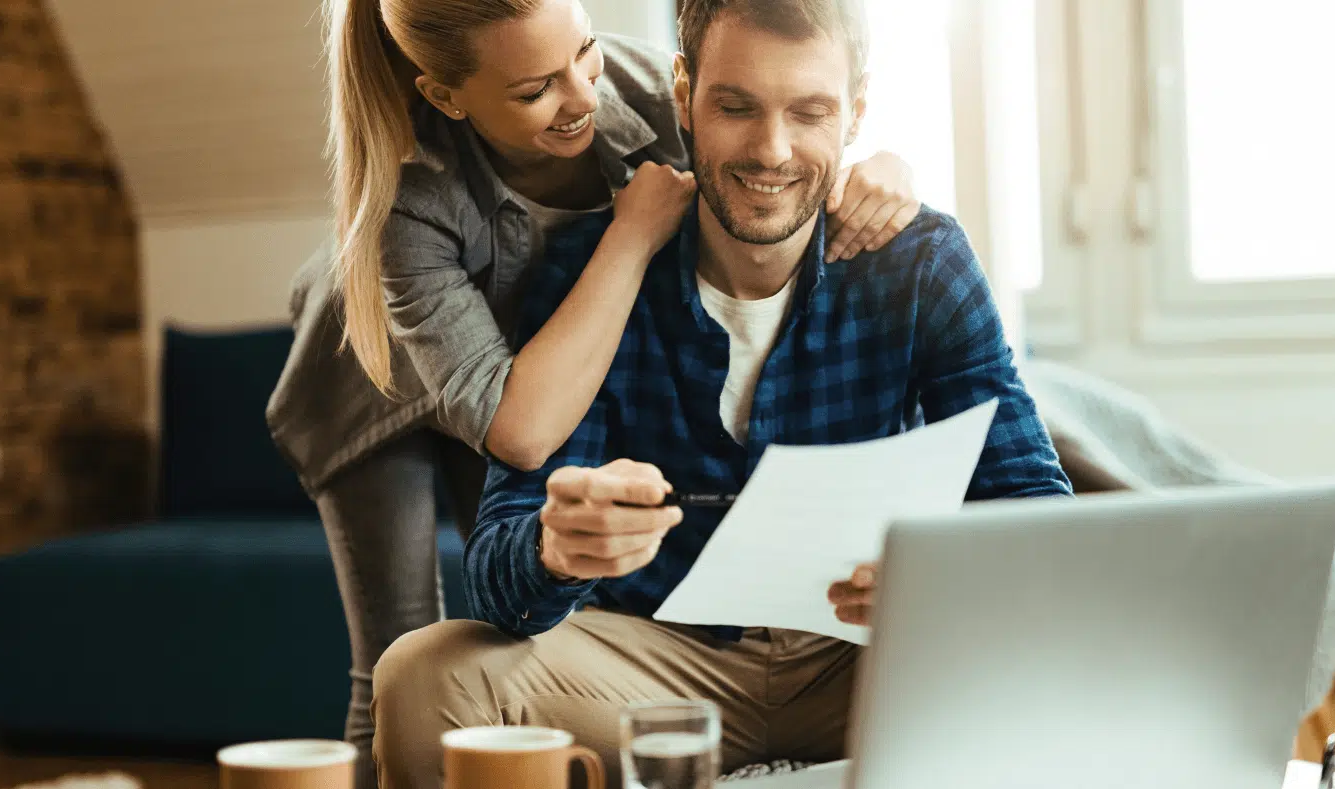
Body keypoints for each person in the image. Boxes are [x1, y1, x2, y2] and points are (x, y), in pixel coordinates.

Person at [367, 0, 1073, 787]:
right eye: (735, 107)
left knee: (1066, 655)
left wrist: (943, 581)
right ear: (682, 97)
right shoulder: (590, 276)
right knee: (424, 675)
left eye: (810, 112)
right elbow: (498, 573)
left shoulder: (921, 261)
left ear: (855, 114)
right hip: (655, 668)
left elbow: (1032, 503)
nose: (771, 151)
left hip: (869, 663)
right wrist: (554, 550)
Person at [266, 0, 922, 784]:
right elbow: (522, 432)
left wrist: (883, 172)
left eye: (584, 51)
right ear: (448, 96)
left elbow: (774, 160)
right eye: (537, 87)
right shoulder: (409, 206)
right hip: (377, 389)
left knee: (520, 609)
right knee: (397, 659)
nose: (583, 96)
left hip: (542, 358)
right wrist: (633, 234)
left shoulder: (645, 87)